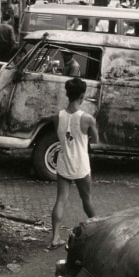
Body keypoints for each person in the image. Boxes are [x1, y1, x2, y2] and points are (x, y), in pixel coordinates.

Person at [49, 78, 99, 249]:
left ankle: (55, 237)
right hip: (81, 165)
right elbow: (95, 139)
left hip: (63, 162)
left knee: (60, 200)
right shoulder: (88, 118)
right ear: (82, 96)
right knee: (87, 199)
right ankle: (97, 233)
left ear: (67, 94)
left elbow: (62, 137)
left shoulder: (58, 116)